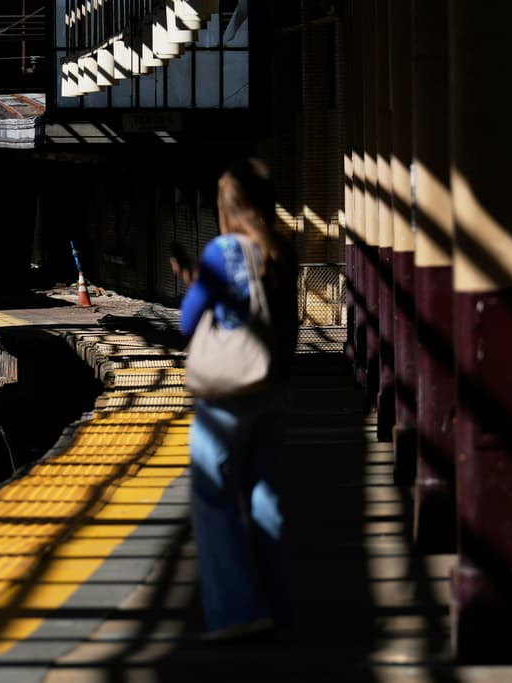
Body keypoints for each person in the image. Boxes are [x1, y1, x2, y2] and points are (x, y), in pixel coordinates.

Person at [176, 157, 298, 640]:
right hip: (273, 388)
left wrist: (196, 287)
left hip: (227, 395)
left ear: (227, 208)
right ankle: (276, 603)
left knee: (213, 497)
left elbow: (188, 322)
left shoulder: (222, 251)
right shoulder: (284, 252)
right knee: (265, 495)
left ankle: (238, 610)